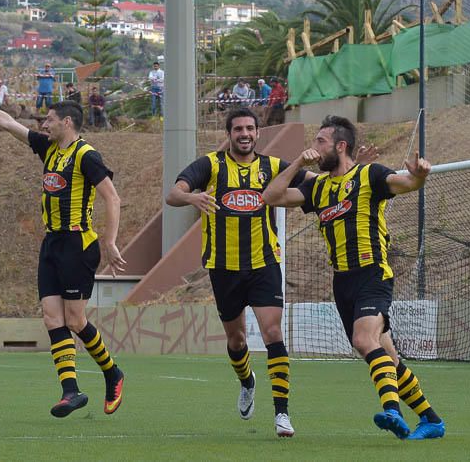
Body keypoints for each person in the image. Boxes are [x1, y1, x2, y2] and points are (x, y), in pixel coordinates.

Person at [0, 78, 126, 418]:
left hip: (78, 243)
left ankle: (112, 372)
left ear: (67, 122)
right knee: (50, 317)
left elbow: (112, 197)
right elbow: (6, 122)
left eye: (50, 120)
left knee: (75, 319)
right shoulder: (48, 148)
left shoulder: (87, 156)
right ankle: (70, 391)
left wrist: (110, 240)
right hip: (52, 243)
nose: (44, 124)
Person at [261, 115, 446, 440]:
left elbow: (407, 184)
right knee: (386, 357)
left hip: (373, 272)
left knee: (363, 341)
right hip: (342, 282)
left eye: (320, 141)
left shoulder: (369, 175)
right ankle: (431, 420)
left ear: (340, 145)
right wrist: (295, 165)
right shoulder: (316, 187)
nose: (314, 147)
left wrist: (419, 177)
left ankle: (392, 412)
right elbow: (271, 197)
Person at [165, 108, 314, 437]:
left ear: (258, 133)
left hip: (264, 264)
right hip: (224, 267)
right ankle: (247, 382)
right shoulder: (210, 165)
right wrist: (193, 197)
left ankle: (282, 414)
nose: (244, 134)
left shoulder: (273, 166)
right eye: (238, 129)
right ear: (229, 134)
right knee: (237, 339)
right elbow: (172, 194)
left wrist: (347, 171)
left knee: (273, 333)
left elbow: (316, 184)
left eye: (250, 128)